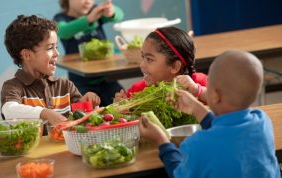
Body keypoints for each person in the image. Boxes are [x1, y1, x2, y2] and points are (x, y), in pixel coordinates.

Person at [139, 50, 281, 178]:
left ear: (215, 96)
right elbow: (229, 130)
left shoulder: (197, 144)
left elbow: (178, 174)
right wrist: (197, 109)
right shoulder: (263, 122)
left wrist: (162, 141)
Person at [1, 15, 100, 126]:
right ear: (27, 55)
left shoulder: (65, 86)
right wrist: (45, 113)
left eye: (56, 47)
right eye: (49, 48)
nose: (57, 53)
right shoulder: (13, 87)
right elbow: (9, 110)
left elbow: (82, 118)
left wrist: (87, 102)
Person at [54, 0, 124, 106]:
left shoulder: (95, 11)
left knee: (124, 102)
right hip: (80, 82)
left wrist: (111, 12)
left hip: (106, 78)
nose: (87, 1)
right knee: (86, 111)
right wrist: (89, 19)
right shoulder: (61, 18)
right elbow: (63, 31)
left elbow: (119, 14)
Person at [114, 26, 207, 102]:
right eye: (143, 57)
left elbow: (219, 100)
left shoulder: (199, 82)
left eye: (149, 59)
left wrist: (197, 91)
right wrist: (120, 107)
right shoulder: (137, 90)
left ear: (175, 66)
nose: (142, 65)